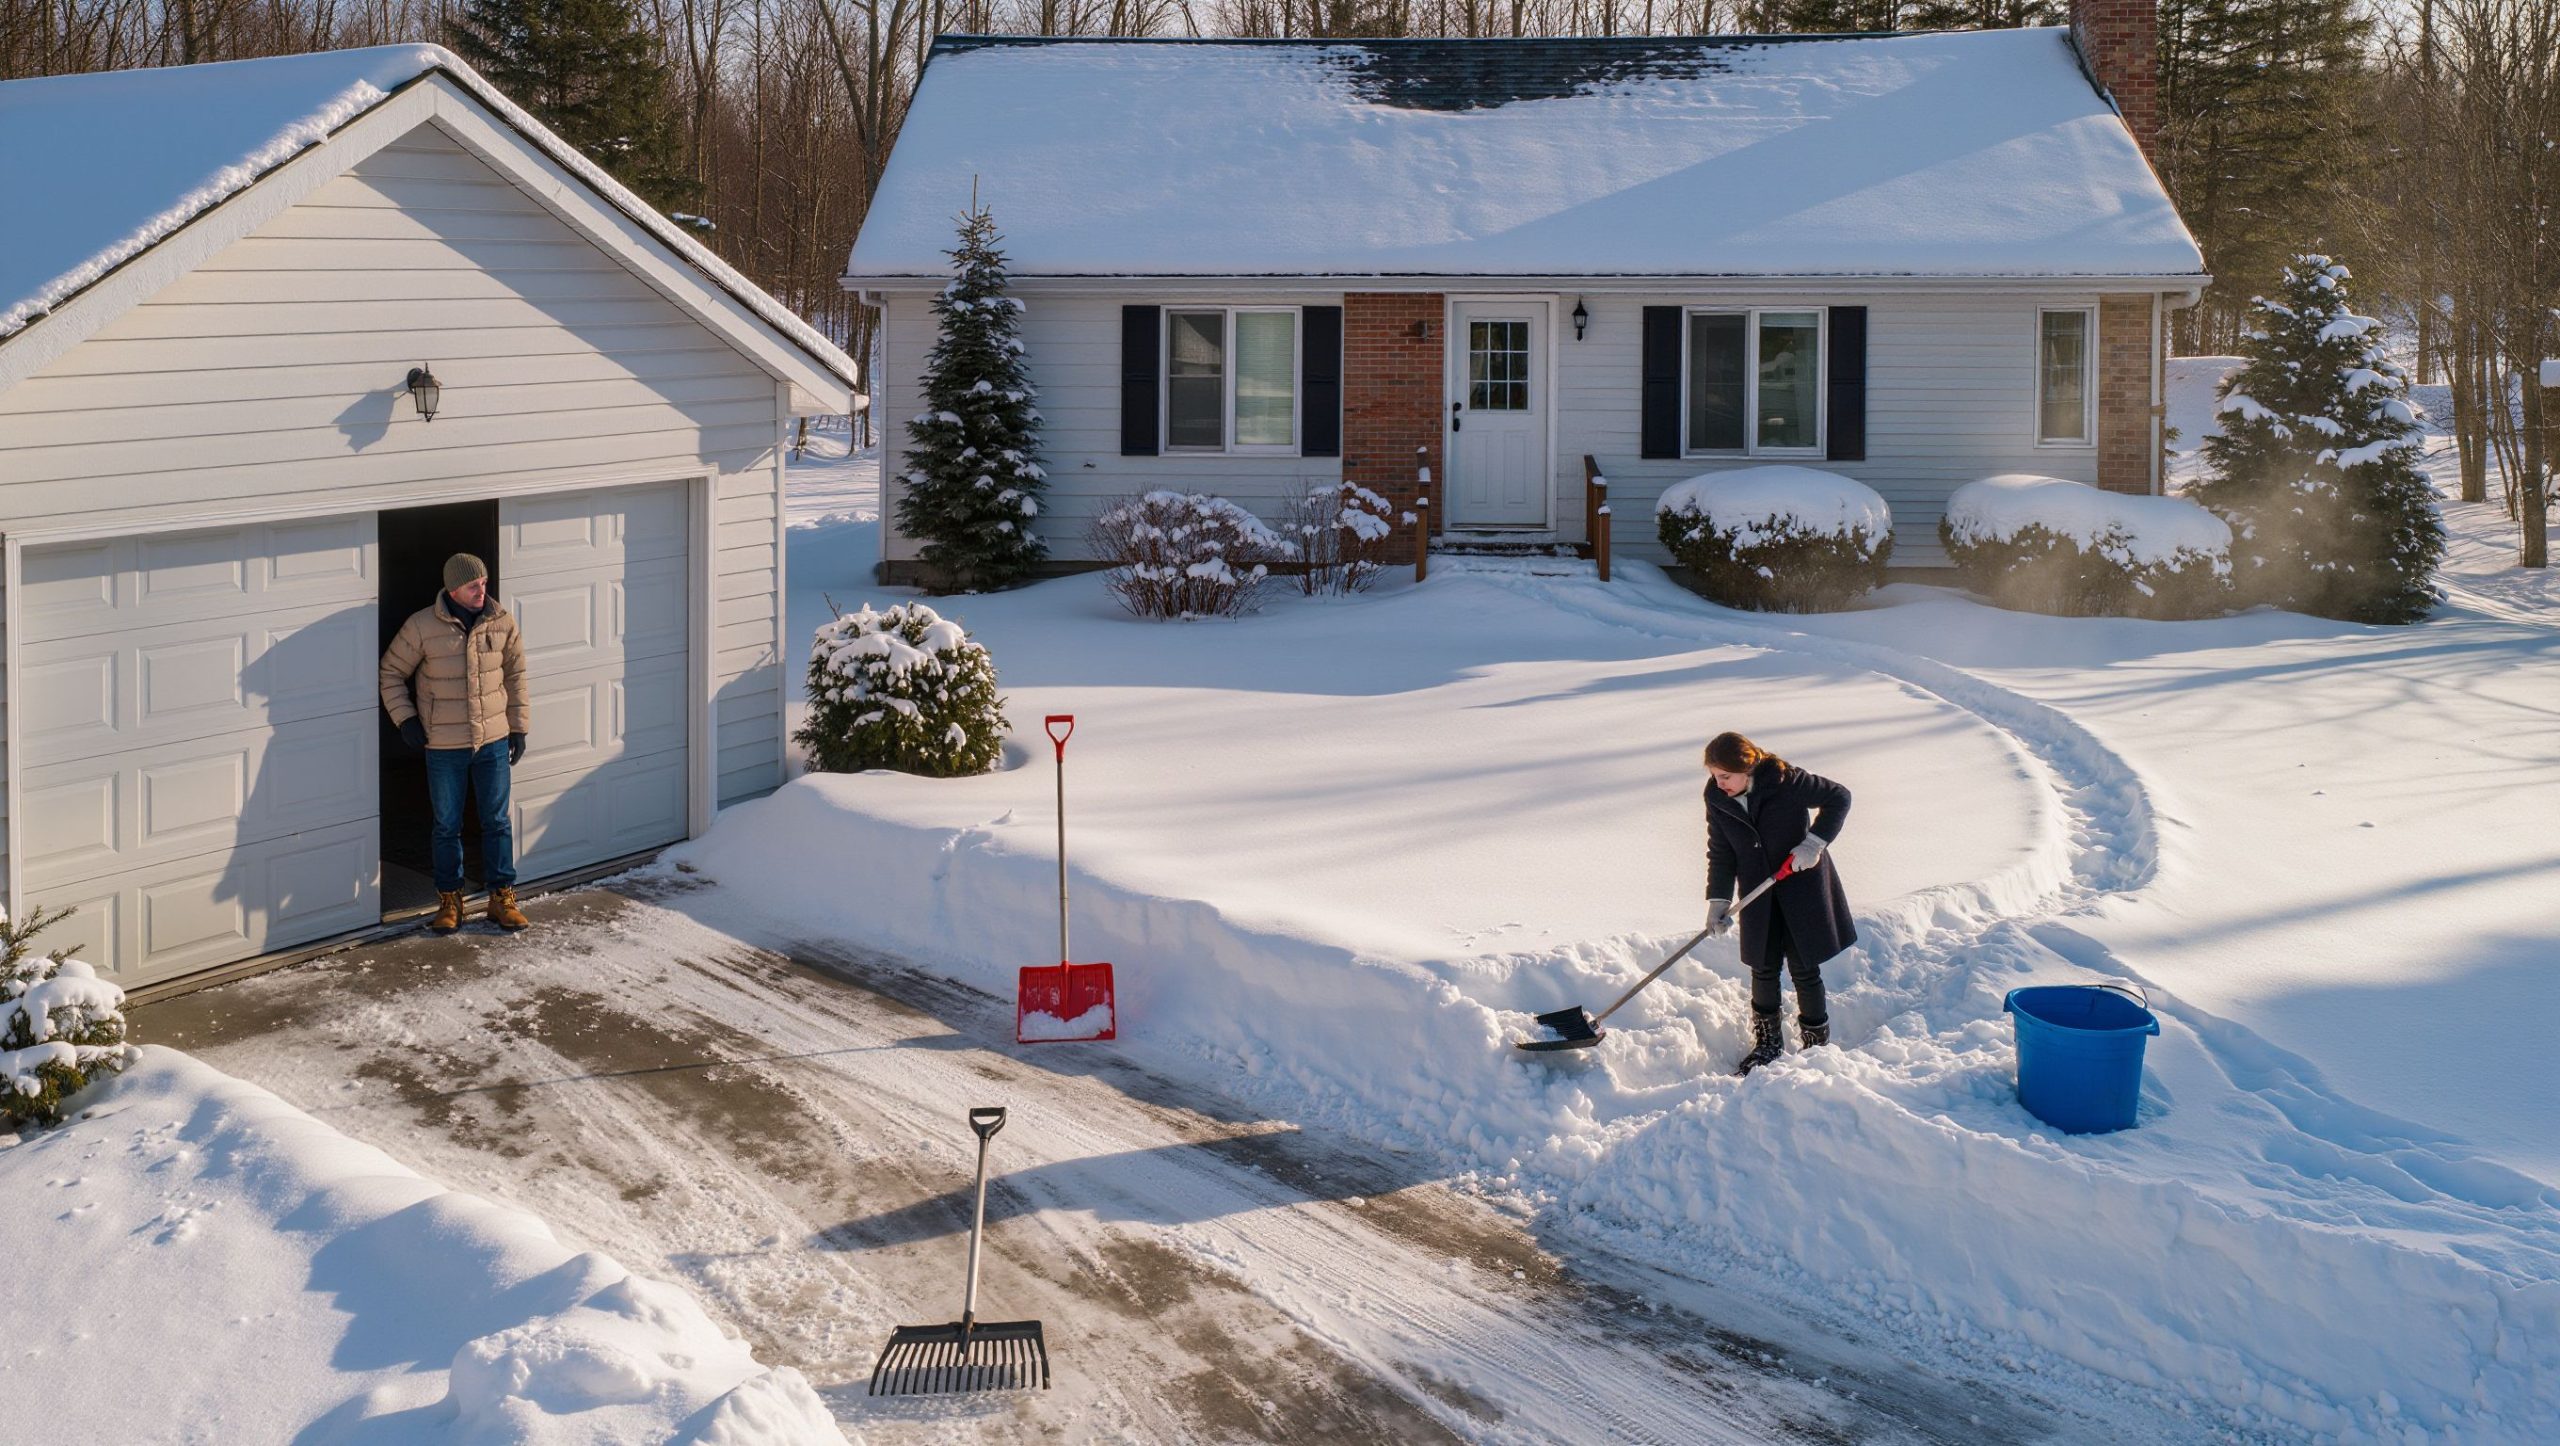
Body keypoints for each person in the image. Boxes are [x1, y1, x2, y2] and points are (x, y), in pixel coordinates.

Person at [379, 553, 531, 935]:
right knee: (446, 825)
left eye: (484, 582)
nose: (482, 590)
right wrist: (406, 719)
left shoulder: (500, 621)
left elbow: (515, 675)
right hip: (444, 744)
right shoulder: (421, 626)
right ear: (452, 589)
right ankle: (450, 900)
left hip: (493, 740)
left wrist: (518, 727)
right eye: (473, 585)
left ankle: (501, 898)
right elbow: (391, 673)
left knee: (496, 821)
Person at [1703, 731, 1854, 1076]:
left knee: (1804, 967)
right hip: (1758, 890)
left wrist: (1813, 844)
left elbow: (1839, 797)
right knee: (1763, 965)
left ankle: (1816, 1045)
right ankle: (1768, 1044)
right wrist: (1719, 900)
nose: (1719, 782)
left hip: (1800, 883)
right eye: (1714, 775)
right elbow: (1721, 850)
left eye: (1725, 775)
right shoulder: (1717, 798)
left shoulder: (1785, 780)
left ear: (1747, 767)